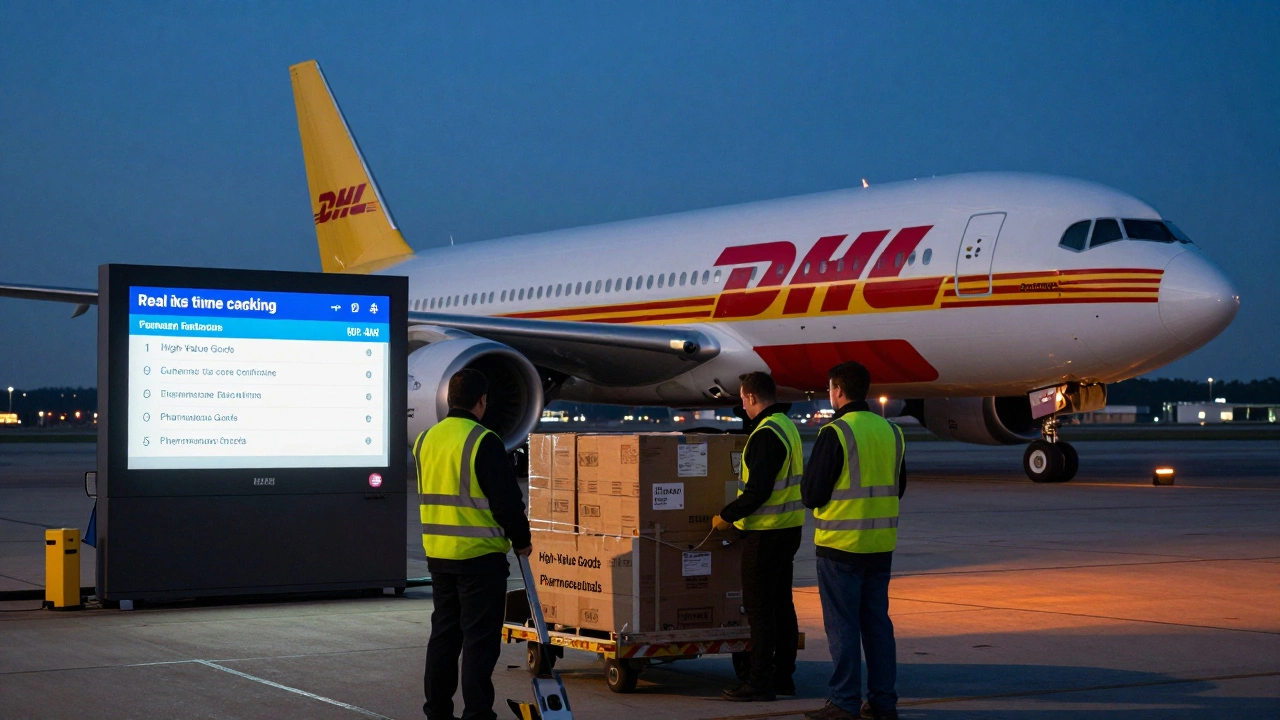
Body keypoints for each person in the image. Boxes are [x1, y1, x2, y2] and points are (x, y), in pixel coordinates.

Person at [416, 368, 532, 720]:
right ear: (482, 401)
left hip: (439, 556)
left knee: (444, 638)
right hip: (479, 559)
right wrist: (522, 540)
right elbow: (506, 500)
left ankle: (437, 712)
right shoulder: (483, 440)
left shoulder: (426, 439)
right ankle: (478, 714)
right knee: (479, 642)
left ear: (450, 400)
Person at [801, 361, 906, 720]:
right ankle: (882, 703)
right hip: (880, 546)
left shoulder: (836, 432)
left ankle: (844, 702)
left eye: (830, 389)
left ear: (838, 391)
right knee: (877, 625)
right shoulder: (892, 431)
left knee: (842, 626)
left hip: (840, 546)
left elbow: (812, 494)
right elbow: (899, 486)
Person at [712, 371, 805, 702]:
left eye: (742, 399)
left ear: (750, 398)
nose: (742, 405)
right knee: (782, 606)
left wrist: (727, 516)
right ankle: (783, 678)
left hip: (765, 535)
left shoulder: (765, 434)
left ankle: (759, 682)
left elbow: (758, 491)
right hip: (789, 530)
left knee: (760, 611)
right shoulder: (786, 426)